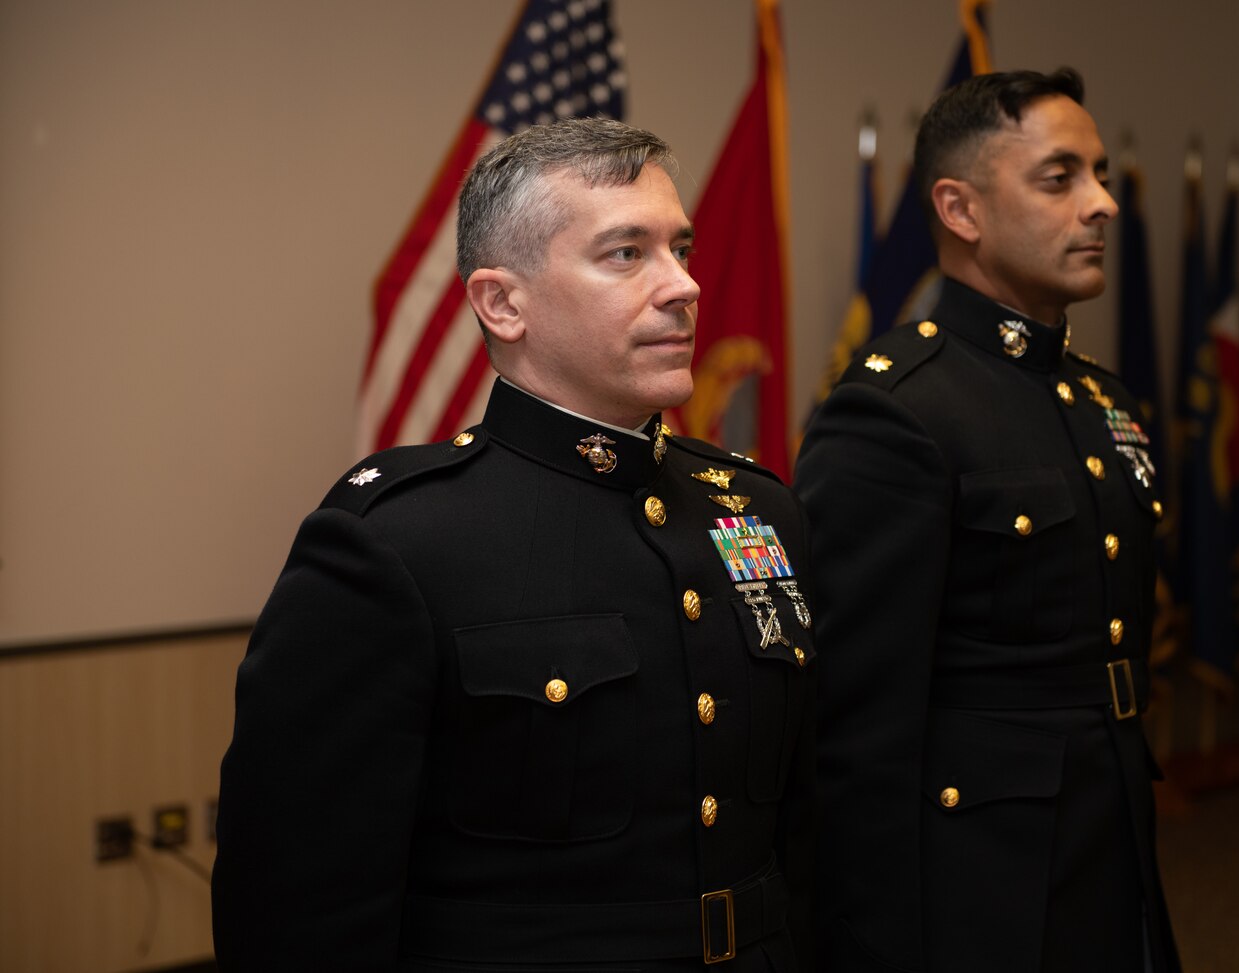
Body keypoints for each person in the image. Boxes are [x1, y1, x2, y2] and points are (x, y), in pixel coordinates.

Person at [213, 117, 815, 972]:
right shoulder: (399, 543)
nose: (682, 285)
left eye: (680, 248)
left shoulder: (755, 510)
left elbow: (808, 835)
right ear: (502, 302)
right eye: (625, 254)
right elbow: (298, 906)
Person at [794, 68, 1181, 972]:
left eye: (1101, 173)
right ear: (959, 209)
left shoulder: (1097, 399)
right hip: (980, 886)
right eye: (1061, 178)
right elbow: (854, 735)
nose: (1103, 205)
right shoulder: (897, 411)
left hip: (1109, 837)